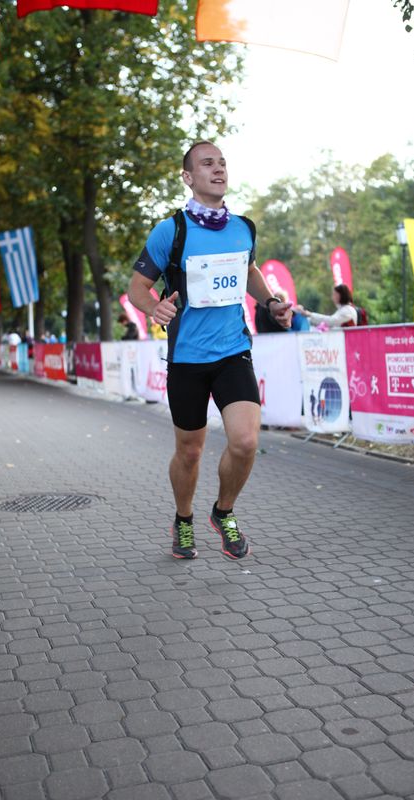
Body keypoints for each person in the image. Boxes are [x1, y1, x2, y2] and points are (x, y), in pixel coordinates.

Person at [129, 141, 292, 560]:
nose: (218, 169)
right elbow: (137, 288)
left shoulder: (243, 228)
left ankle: (223, 511)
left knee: (246, 442)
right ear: (188, 177)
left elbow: (249, 271)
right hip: (187, 358)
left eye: (222, 162)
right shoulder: (171, 231)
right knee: (190, 451)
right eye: (207, 163)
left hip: (233, 351)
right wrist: (154, 307)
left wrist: (271, 301)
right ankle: (183, 520)